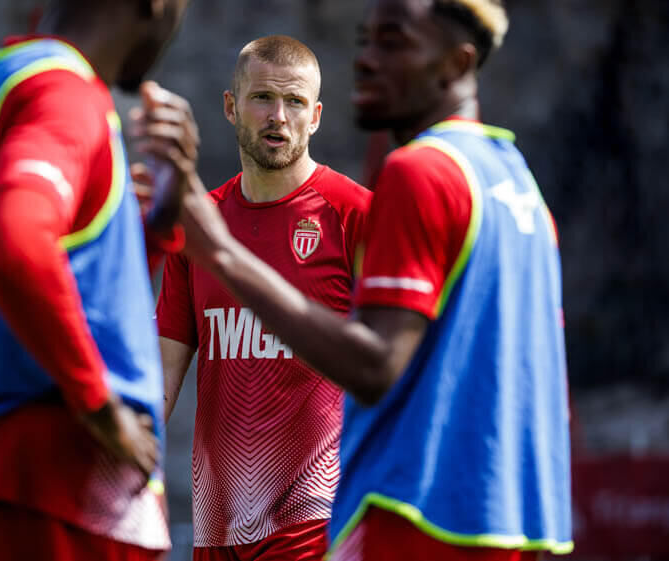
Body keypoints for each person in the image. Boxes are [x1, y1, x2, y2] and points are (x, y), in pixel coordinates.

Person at [168, 1, 573, 560]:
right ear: (232, 106)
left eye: (393, 42)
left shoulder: (419, 173)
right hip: (514, 525)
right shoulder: (517, 182)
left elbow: (376, 365)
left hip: (419, 520)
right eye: (367, 40)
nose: (366, 60)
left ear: (455, 64)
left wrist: (223, 256)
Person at [0, 0, 197, 559]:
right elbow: (16, 246)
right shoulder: (65, 92)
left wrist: (155, 224)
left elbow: (64, 283)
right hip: (59, 486)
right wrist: (102, 407)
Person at [156, 35, 372, 560]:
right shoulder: (200, 226)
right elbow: (161, 378)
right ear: (231, 107)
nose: (279, 116)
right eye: (262, 98)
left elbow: (395, 365)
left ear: (315, 117)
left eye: (295, 101)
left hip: (318, 521)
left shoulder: (356, 215)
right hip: (217, 527)